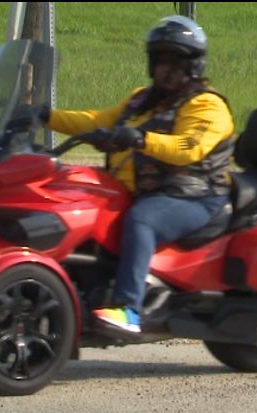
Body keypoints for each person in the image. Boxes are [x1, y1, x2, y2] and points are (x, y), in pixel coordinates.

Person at [40, 15, 235, 334]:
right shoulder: (141, 100)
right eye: (160, 61)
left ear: (193, 66)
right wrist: (45, 116)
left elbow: (189, 147)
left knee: (142, 220)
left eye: (176, 61)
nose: (166, 69)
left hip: (193, 195)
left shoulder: (207, 106)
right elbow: (97, 121)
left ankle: (128, 308)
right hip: (143, 190)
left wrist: (142, 139)